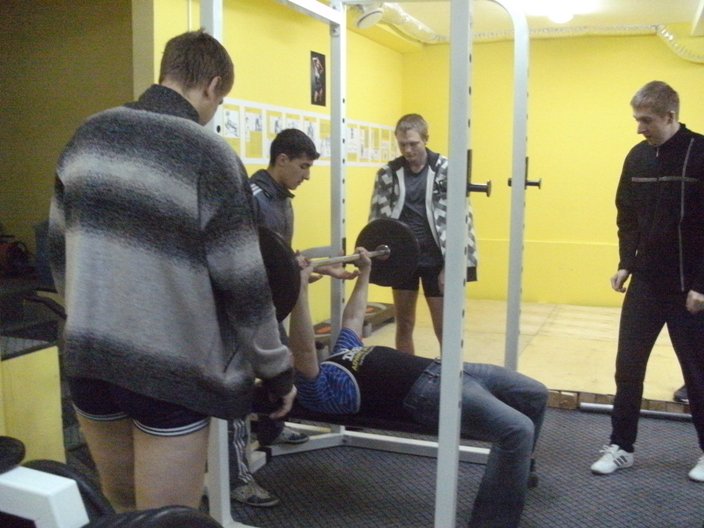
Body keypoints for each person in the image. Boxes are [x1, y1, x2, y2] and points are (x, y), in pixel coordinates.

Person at [48, 30, 295, 512]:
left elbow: (59, 258)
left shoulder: (86, 137)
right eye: (219, 100)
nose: (214, 110)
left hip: (90, 358)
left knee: (122, 507)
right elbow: (244, 285)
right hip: (171, 371)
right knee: (168, 521)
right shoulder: (209, 153)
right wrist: (277, 370)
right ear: (213, 85)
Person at [288, 249, 548, 528]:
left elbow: (353, 317)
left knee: (534, 394)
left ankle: (516, 472)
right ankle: (492, 522)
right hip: (428, 393)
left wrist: (365, 272)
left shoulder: (340, 355)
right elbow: (303, 348)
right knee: (517, 429)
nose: (290, 356)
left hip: (448, 369)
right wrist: (300, 288)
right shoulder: (317, 390)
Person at [231, 128, 355, 506]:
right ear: (281, 159)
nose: (307, 175)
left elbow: (281, 256)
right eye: (303, 166)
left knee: (284, 364)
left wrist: (319, 268)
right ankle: (236, 478)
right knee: (237, 387)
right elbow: (237, 256)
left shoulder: (282, 199)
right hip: (245, 310)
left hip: (270, 305)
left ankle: (272, 430)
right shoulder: (251, 198)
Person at [591, 81, 704, 482]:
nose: (639, 128)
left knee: (697, 373)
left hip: (689, 289)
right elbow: (627, 216)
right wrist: (626, 262)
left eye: (646, 120)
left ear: (670, 116)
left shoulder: (699, 153)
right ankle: (621, 447)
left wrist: (702, 284)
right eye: (636, 119)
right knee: (628, 367)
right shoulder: (637, 157)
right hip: (647, 285)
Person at [369, 113, 478, 355]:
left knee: (444, 327)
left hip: (435, 258)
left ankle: (448, 374)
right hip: (403, 258)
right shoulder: (387, 174)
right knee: (404, 323)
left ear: (426, 139)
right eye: (402, 144)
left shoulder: (447, 170)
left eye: (413, 144)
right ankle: (406, 373)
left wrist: (451, 265)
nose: (408, 150)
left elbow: (462, 221)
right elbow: (377, 221)